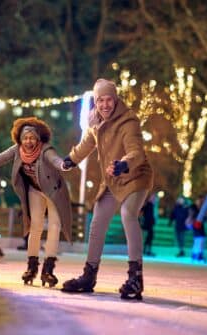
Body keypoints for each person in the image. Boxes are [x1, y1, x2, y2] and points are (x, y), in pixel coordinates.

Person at [61, 78, 153, 300]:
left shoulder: (128, 121)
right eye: (100, 100)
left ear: (115, 99)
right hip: (112, 179)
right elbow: (87, 145)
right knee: (97, 221)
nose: (105, 105)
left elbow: (137, 153)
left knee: (128, 214)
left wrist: (123, 164)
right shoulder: (95, 121)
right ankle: (88, 276)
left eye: (108, 99)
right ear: (96, 101)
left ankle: (135, 277)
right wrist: (71, 159)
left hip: (134, 175)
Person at [0, 117, 73, 287]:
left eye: (32, 137)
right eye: (25, 138)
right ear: (20, 139)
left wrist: (64, 165)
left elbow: (56, 160)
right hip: (35, 190)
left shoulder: (45, 150)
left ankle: (48, 269)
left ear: (38, 138)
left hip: (54, 191)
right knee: (35, 226)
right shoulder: (17, 150)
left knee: (54, 226)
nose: (28, 141)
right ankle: (32, 267)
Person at [185, 195, 207, 263]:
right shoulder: (193, 208)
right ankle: (195, 255)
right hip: (196, 225)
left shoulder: (201, 208)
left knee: (201, 240)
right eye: (200, 200)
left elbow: (203, 218)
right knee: (198, 241)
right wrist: (189, 222)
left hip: (200, 226)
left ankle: (198, 255)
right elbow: (191, 215)